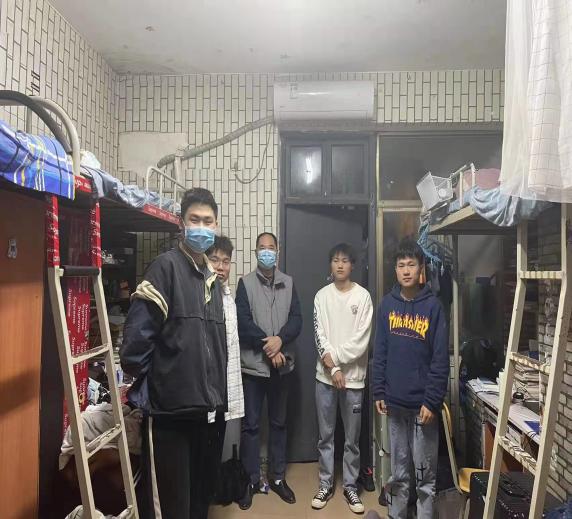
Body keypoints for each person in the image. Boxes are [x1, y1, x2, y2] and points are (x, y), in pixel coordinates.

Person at [120, 187, 227, 519]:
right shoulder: (165, 268)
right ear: (182, 223)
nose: (201, 227)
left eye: (207, 221)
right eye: (194, 219)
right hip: (168, 415)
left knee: (196, 503)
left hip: (202, 412)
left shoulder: (211, 278)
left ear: (216, 225)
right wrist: (162, 385)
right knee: (169, 507)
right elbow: (134, 349)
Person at [373, 240, 449, 519]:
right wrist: (378, 390)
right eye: (401, 265)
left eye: (411, 265)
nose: (406, 271)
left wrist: (432, 400)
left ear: (421, 269)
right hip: (394, 405)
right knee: (399, 473)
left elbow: (440, 359)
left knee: (425, 477)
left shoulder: (434, 307)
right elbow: (380, 351)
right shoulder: (386, 305)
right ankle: (397, 515)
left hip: (423, 409)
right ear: (395, 270)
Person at [235, 231, 303, 510]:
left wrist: (280, 341)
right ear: (255, 252)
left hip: (282, 368)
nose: (266, 252)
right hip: (254, 369)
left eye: (270, 247)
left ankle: (277, 477)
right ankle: (251, 480)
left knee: (279, 424)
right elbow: (243, 322)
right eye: (261, 247)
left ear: (278, 251)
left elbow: (296, 319)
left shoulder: (289, 282)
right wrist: (270, 346)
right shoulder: (245, 284)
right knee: (250, 426)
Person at [311, 243, 373, 515]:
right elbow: (319, 335)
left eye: (345, 260)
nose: (339, 264)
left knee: (352, 439)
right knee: (325, 436)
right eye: (335, 260)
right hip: (325, 379)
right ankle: (325, 484)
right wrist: (333, 369)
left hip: (354, 381)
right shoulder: (321, 296)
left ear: (352, 265)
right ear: (330, 264)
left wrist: (335, 361)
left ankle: (350, 486)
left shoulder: (363, 297)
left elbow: (361, 341)